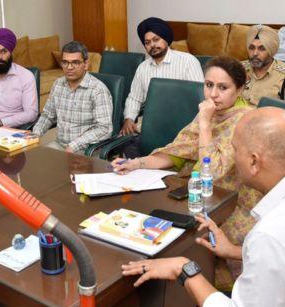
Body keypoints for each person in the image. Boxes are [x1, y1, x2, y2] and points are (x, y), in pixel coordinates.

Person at [121, 106, 285, 307]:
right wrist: (234, 251)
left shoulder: (270, 234)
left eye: (235, 149)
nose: (233, 156)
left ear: (254, 161)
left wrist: (184, 269)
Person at [112, 56, 261, 290]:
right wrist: (137, 163)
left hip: (234, 202)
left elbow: (213, 171)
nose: (213, 94)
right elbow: (177, 152)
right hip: (201, 195)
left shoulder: (246, 120)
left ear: (240, 89)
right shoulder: (210, 112)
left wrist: (205, 123)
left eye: (223, 88)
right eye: (209, 85)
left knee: (193, 246)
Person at [120, 17, 204, 149]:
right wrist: (129, 119)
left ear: (166, 38)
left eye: (156, 39)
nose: (152, 45)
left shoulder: (188, 62)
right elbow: (134, 98)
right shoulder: (143, 68)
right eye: (147, 42)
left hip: (182, 126)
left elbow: (200, 100)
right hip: (150, 126)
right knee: (122, 147)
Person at [32, 41, 113, 154]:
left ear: (86, 64)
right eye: (65, 62)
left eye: (75, 62)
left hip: (86, 150)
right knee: (34, 158)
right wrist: (34, 135)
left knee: (56, 165)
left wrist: (74, 145)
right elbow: (48, 115)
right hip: (59, 145)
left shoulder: (98, 90)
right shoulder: (58, 84)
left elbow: (104, 128)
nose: (69, 67)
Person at [241, 24, 285, 105]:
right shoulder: (237, 69)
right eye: (251, 48)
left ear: (271, 51)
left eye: (262, 49)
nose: (255, 53)